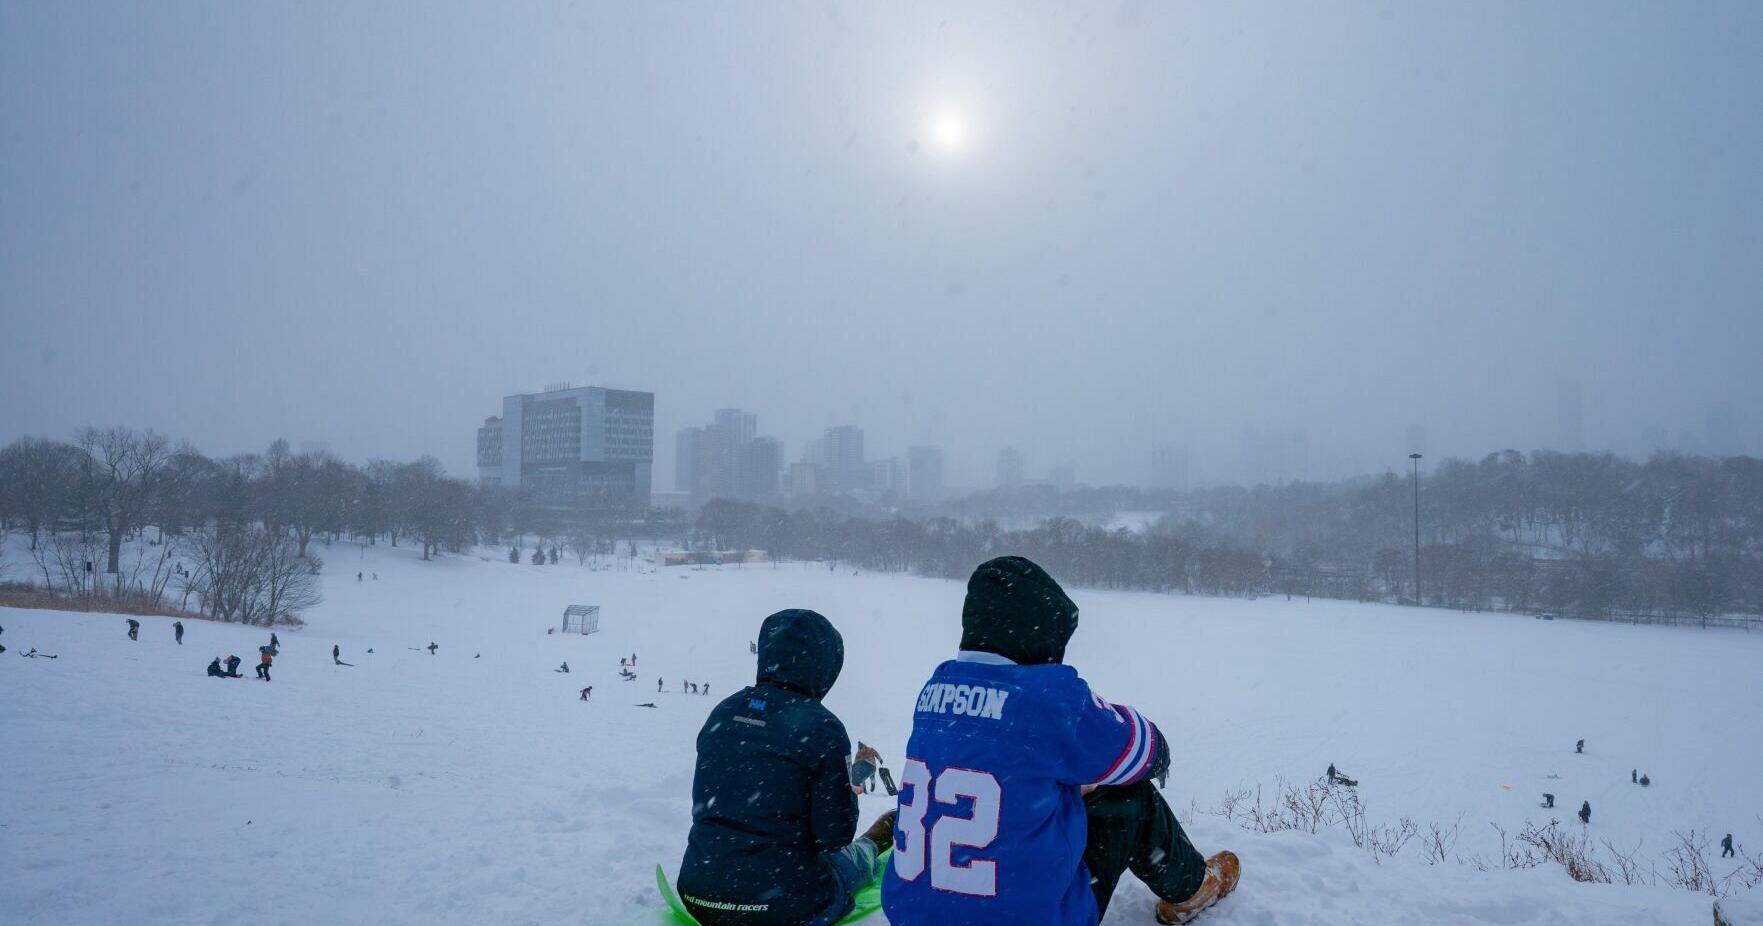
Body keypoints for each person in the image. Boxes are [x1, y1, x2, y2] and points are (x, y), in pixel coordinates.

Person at [882, 556, 1238, 926]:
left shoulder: (934, 690)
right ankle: (1191, 889)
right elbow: (1144, 750)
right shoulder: (1049, 697)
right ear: (1040, 636)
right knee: (1131, 797)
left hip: (912, 915)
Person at [677, 609, 895, 926]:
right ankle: (879, 839)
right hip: (787, 902)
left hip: (699, 891)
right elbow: (835, 836)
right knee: (854, 858)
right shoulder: (822, 728)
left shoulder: (723, 712)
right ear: (824, 665)